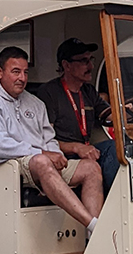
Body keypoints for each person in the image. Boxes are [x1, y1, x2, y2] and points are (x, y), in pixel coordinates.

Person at [0, 45, 103, 236]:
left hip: (39, 160)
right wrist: (43, 154)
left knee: (91, 168)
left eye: (25, 72)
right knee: (42, 162)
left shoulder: (35, 102)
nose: (22, 78)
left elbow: (48, 138)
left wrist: (57, 155)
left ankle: (93, 242)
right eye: (15, 72)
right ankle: (95, 227)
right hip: (10, 165)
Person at [35, 38, 119, 193]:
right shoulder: (49, 92)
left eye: (90, 60)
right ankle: (113, 203)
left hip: (87, 151)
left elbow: (111, 116)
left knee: (115, 147)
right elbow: (42, 140)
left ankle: (116, 200)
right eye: (83, 61)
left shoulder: (88, 90)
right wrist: (75, 147)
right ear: (66, 65)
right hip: (62, 156)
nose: (91, 66)